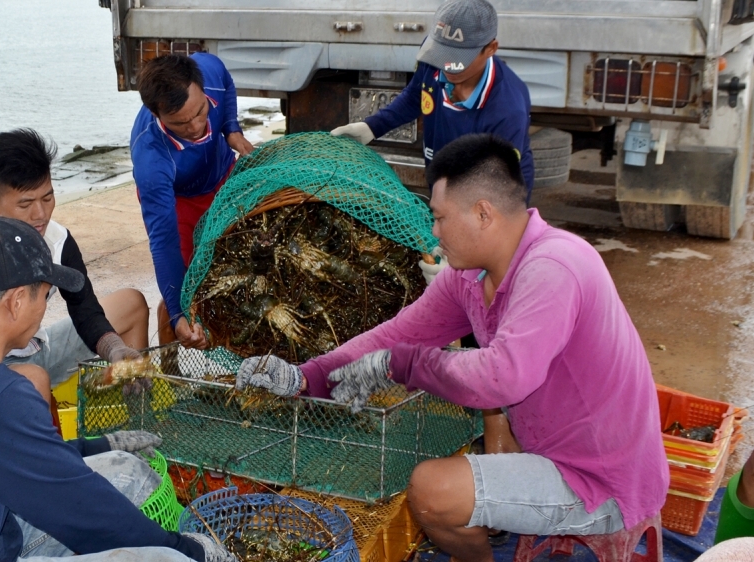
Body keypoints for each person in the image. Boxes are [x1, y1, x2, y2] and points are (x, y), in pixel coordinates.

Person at [234, 134, 669, 562]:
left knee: (432, 491)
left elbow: (502, 376)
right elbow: (396, 336)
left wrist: (405, 365)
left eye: (440, 218)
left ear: (483, 213)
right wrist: (304, 376)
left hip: (601, 479)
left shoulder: (553, 267)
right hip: (549, 449)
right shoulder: (469, 276)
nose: (434, 231)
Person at [0, 216, 235, 562]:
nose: (45, 306)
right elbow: (83, 511)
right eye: (44, 295)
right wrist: (189, 550)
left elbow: (14, 458)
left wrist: (100, 445)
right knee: (168, 558)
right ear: (15, 302)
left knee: (126, 467)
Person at [0, 128, 149, 402]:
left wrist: (114, 348)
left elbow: (85, 310)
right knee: (34, 379)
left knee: (131, 303)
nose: (41, 214)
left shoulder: (58, 240)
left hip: (36, 347)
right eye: (25, 204)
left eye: (47, 198)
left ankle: (138, 409)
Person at [331, 0, 534, 204]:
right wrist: (371, 127)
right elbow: (414, 96)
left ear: (490, 48)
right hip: (443, 182)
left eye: (458, 58)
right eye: (443, 53)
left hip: (492, 198)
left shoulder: (507, 111)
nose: (446, 64)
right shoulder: (434, 56)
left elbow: (495, 190)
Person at [130, 53, 254, 349]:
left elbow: (226, 81)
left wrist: (231, 128)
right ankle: (170, 362)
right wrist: (177, 313)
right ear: (157, 115)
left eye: (200, 112)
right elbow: (164, 242)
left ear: (202, 89)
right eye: (181, 123)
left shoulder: (209, 71)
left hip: (223, 177)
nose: (196, 126)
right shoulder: (150, 161)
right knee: (187, 289)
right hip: (178, 200)